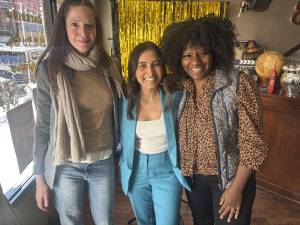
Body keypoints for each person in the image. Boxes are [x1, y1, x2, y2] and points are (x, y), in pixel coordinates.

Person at [161, 16, 268, 225]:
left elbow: (253, 145)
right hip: (195, 182)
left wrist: (236, 189)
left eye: (203, 53)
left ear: (215, 52)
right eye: (187, 55)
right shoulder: (181, 88)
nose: (195, 62)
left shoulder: (237, 84)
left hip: (230, 180)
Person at [33, 1, 124, 225]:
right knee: (71, 221)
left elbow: (124, 108)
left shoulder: (110, 66)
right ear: (63, 27)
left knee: (106, 220)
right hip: (66, 164)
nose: (83, 33)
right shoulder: (49, 69)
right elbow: (43, 125)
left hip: (102, 161)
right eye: (74, 24)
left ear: (97, 29)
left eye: (89, 25)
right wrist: (39, 178)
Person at [118, 41, 190, 225]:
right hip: (136, 171)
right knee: (145, 221)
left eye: (156, 64)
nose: (150, 72)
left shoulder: (175, 97)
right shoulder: (124, 101)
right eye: (142, 66)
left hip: (167, 170)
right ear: (134, 71)